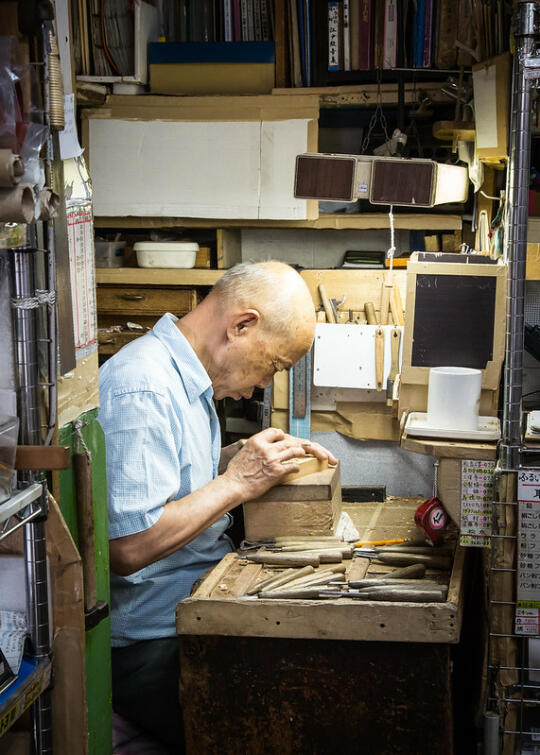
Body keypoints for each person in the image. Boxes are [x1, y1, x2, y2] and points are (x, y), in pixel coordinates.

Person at [98, 261, 337, 751]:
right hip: (152, 642)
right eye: (273, 365)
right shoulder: (142, 386)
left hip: (196, 608)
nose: (266, 385)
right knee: (291, 726)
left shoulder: (187, 380)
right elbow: (126, 546)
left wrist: (245, 461)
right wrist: (235, 483)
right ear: (242, 325)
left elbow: (171, 485)